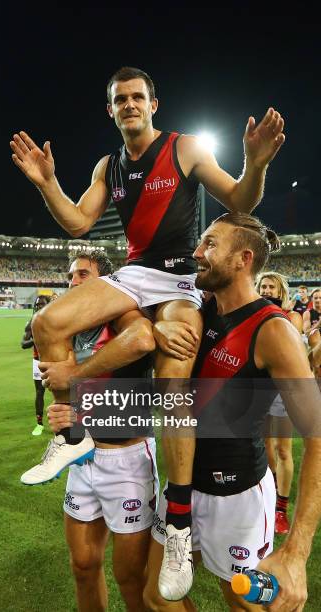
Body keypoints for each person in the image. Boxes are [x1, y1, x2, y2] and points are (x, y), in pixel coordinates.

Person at [10, 66, 285, 600]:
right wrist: (47, 182)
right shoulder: (108, 165)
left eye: (138, 97)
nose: (130, 105)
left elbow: (240, 201)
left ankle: (178, 520)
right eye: (120, 99)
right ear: (110, 110)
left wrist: (255, 164)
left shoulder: (183, 149)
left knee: (173, 384)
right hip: (135, 274)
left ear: (154, 104)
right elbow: (76, 224)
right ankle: (72, 437)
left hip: (182, 277)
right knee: (48, 322)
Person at [144, 212, 321, 612]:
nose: (197, 252)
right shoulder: (197, 307)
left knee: (244, 605)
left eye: (209, 244)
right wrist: (157, 329)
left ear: (243, 259)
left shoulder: (274, 331)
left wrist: (296, 552)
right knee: (157, 597)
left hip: (237, 496)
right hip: (182, 488)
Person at [22, 250, 157, 611]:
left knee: (130, 577)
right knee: (82, 566)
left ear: (106, 283)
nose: (74, 283)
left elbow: (143, 339)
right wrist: (62, 414)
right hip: (84, 458)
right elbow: (65, 394)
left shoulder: (125, 314)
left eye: (83, 275)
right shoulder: (67, 329)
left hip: (127, 459)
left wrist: (75, 375)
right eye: (70, 276)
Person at [256, 271, 303, 536]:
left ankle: (281, 510)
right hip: (258, 391)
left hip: (282, 391)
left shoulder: (291, 317)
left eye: (271, 286)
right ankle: (270, 493)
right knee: (263, 447)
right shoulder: (252, 314)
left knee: (283, 448)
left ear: (281, 291)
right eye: (262, 285)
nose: (266, 290)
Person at [21, 295, 52, 435]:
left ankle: (64, 424)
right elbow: (23, 344)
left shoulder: (55, 321)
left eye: (42, 304)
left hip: (54, 360)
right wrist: (37, 340)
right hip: (38, 361)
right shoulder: (31, 323)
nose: (40, 307)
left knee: (61, 392)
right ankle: (39, 424)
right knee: (40, 392)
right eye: (38, 305)